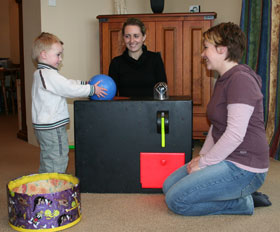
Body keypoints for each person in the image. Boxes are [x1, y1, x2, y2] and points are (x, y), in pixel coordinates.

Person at [162, 22, 271, 216]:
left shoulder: (241, 80)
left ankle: (242, 203)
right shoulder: (223, 79)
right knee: (168, 185)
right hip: (227, 158)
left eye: (206, 47)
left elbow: (235, 134)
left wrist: (204, 164)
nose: (202, 54)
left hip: (245, 167)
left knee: (176, 200)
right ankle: (229, 193)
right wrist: (202, 156)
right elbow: (217, 125)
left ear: (222, 49)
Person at [31, 32, 107, 173]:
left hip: (44, 126)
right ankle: (54, 188)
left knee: (48, 156)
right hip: (52, 126)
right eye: (58, 55)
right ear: (44, 55)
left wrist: (84, 83)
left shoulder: (41, 73)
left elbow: (66, 83)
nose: (60, 59)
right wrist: (91, 89)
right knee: (58, 157)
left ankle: (44, 181)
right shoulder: (48, 74)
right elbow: (68, 88)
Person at [108, 17, 167, 97]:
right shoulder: (116, 63)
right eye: (127, 36)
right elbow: (112, 96)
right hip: (125, 109)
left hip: (151, 108)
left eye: (136, 36)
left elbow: (162, 92)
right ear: (123, 38)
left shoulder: (155, 59)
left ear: (143, 37)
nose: (132, 41)